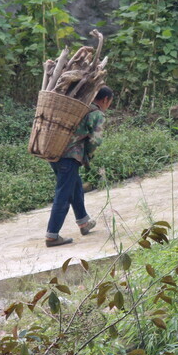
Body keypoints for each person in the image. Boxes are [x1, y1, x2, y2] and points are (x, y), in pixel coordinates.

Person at [44, 86, 113, 247]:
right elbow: (96, 140)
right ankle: (52, 235)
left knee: (75, 186)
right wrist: (87, 155)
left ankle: (83, 222)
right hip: (69, 157)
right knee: (64, 193)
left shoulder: (79, 107)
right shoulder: (96, 113)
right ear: (105, 100)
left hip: (53, 151)